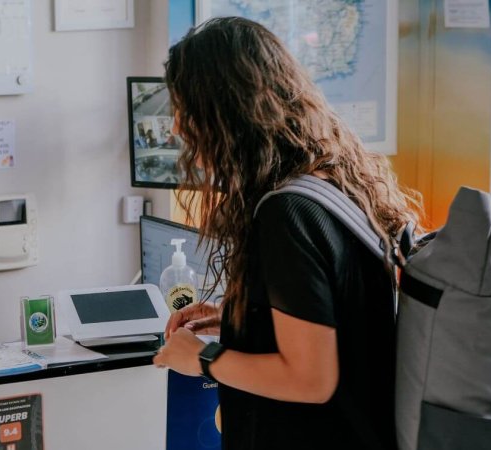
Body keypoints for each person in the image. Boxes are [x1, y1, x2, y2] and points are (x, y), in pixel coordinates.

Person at [152, 18, 423, 449]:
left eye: (185, 110)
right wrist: (246, 318)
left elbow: (311, 379)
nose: (177, 128)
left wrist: (201, 358)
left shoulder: (286, 213)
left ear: (225, 111)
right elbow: (343, 319)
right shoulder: (333, 182)